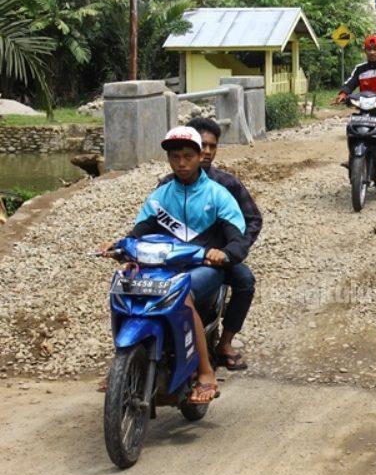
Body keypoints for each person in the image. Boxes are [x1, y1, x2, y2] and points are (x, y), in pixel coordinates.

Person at [99, 126, 249, 404]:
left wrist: (225, 253)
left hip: (204, 267)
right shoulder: (161, 195)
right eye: (175, 157)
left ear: (199, 156)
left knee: (182, 296)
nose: (181, 163)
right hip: (165, 264)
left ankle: (206, 373)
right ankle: (124, 362)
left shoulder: (218, 194)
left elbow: (238, 239)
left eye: (187, 156)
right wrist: (119, 246)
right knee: (125, 287)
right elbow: (140, 230)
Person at [159, 117, 262, 371]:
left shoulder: (227, 185)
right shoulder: (165, 186)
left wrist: (232, 252)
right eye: (202, 145)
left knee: (245, 282)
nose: (206, 151)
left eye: (212, 146)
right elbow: (154, 222)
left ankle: (225, 343)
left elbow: (252, 219)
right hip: (176, 256)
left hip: (217, 260)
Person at [335, 34, 376, 173]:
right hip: (366, 108)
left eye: (375, 49)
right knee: (354, 128)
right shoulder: (360, 69)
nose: (372, 52)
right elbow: (350, 83)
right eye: (369, 49)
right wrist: (343, 94)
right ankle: (353, 156)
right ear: (365, 51)